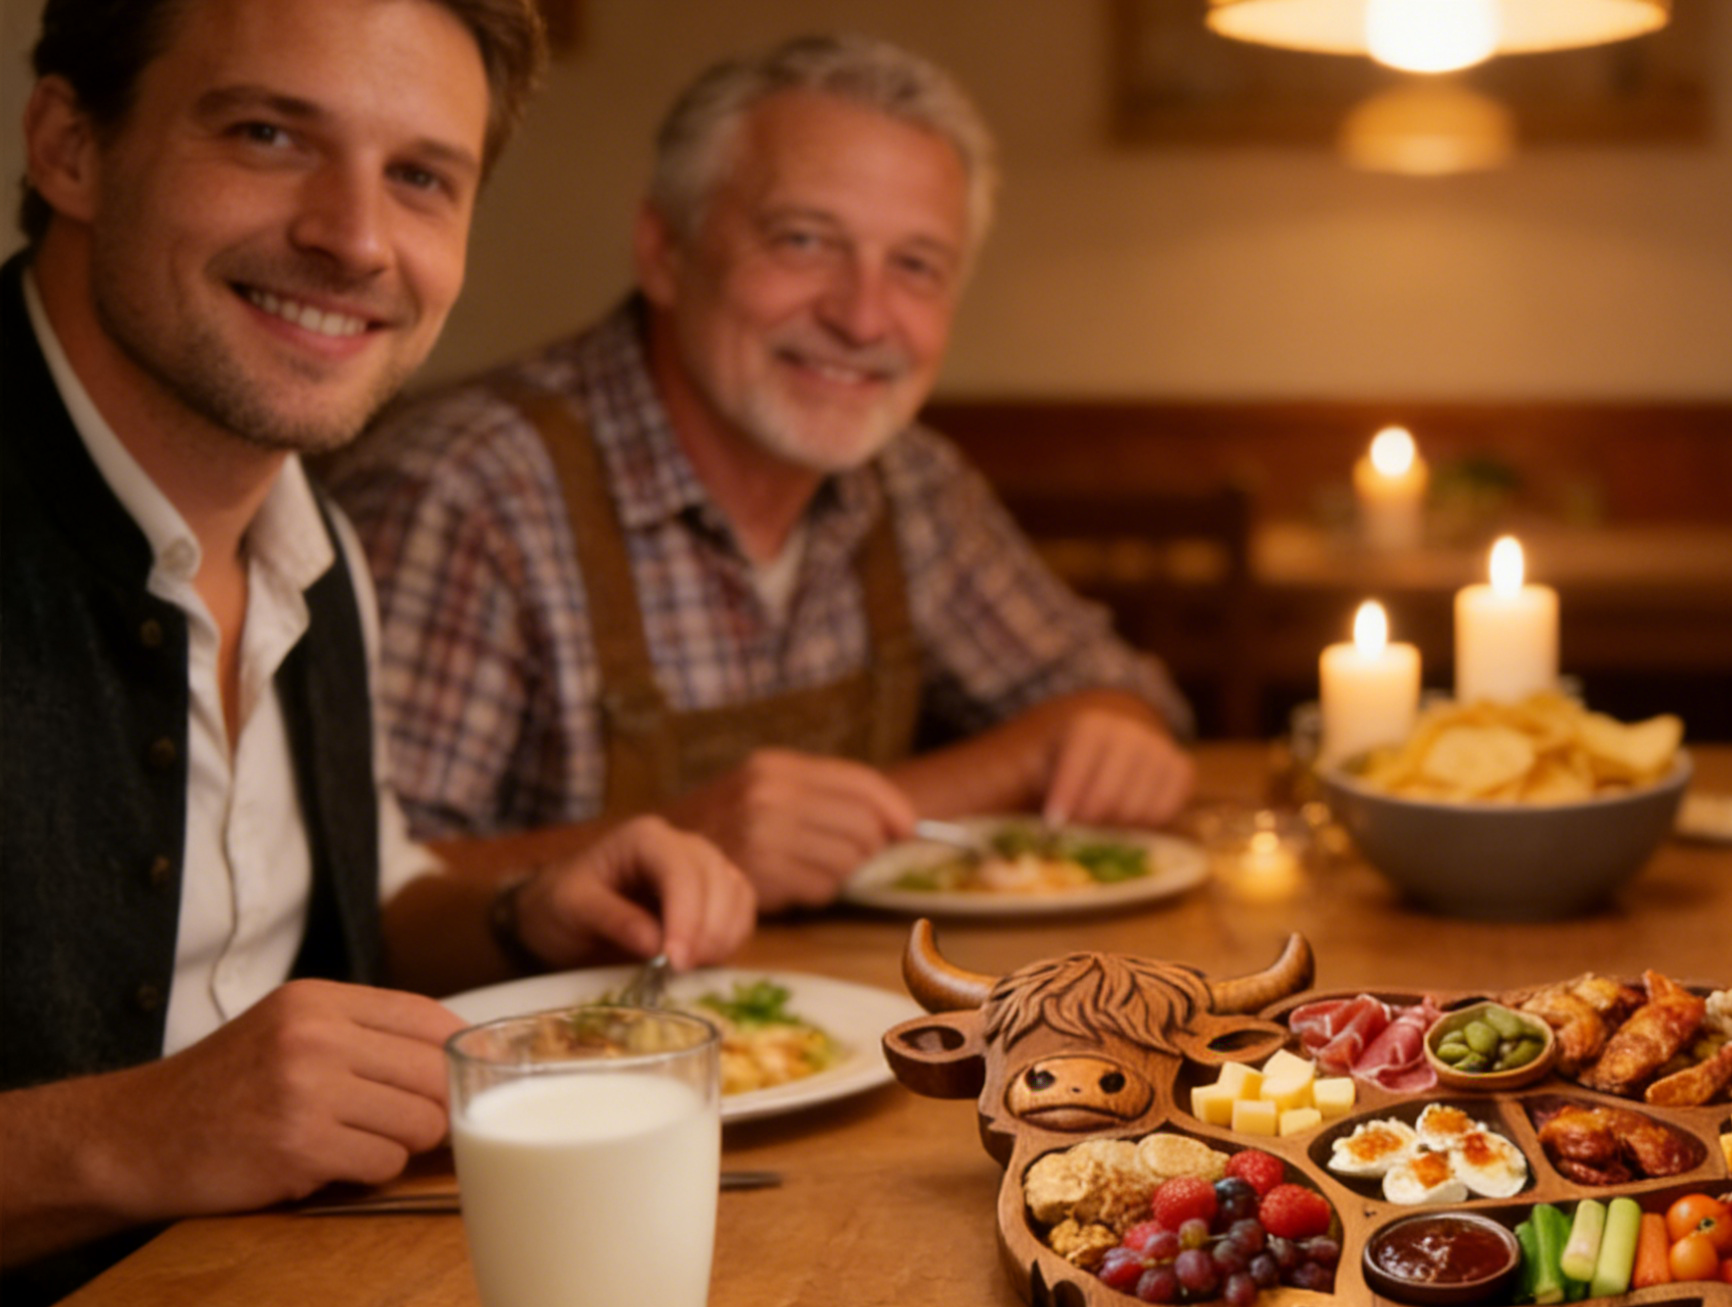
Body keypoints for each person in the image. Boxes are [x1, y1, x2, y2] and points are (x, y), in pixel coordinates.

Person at [1, 0, 755, 1307]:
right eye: (266, 132)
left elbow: (342, 887)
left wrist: (522, 912)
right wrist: (129, 1134)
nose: (353, 238)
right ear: (68, 145)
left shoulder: (318, 540)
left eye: (419, 176)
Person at [325, 34, 1196, 914]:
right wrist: (699, 841)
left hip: (834, 1030)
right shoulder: (464, 490)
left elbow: (1119, 700)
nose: (862, 317)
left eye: (915, 266)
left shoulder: (911, 482)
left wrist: (1071, 746)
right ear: (665, 252)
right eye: (805, 240)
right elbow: (359, 894)